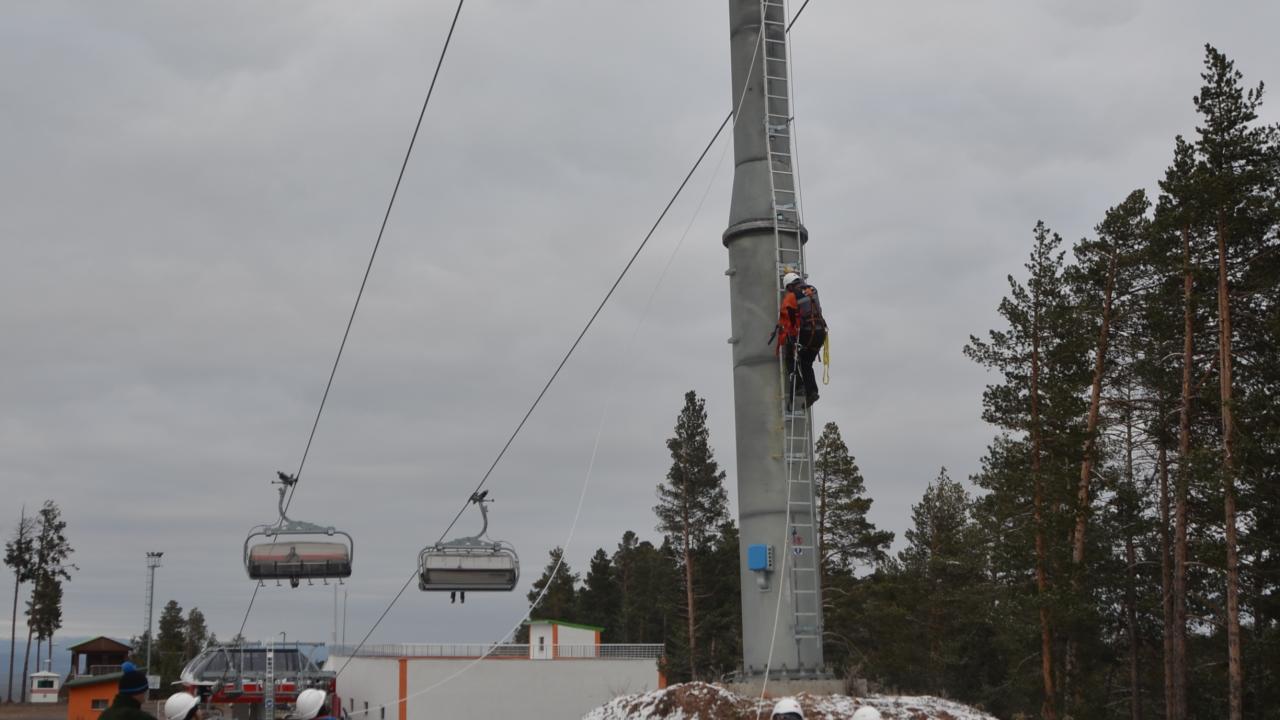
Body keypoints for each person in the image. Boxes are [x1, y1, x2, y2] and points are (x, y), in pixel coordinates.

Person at [776, 271, 827, 407]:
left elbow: (790, 321)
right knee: (806, 363)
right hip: (820, 332)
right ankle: (812, 392)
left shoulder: (791, 297)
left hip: (806, 333)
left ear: (789, 287)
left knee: (790, 357)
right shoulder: (813, 290)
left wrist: (791, 339)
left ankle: (799, 385)